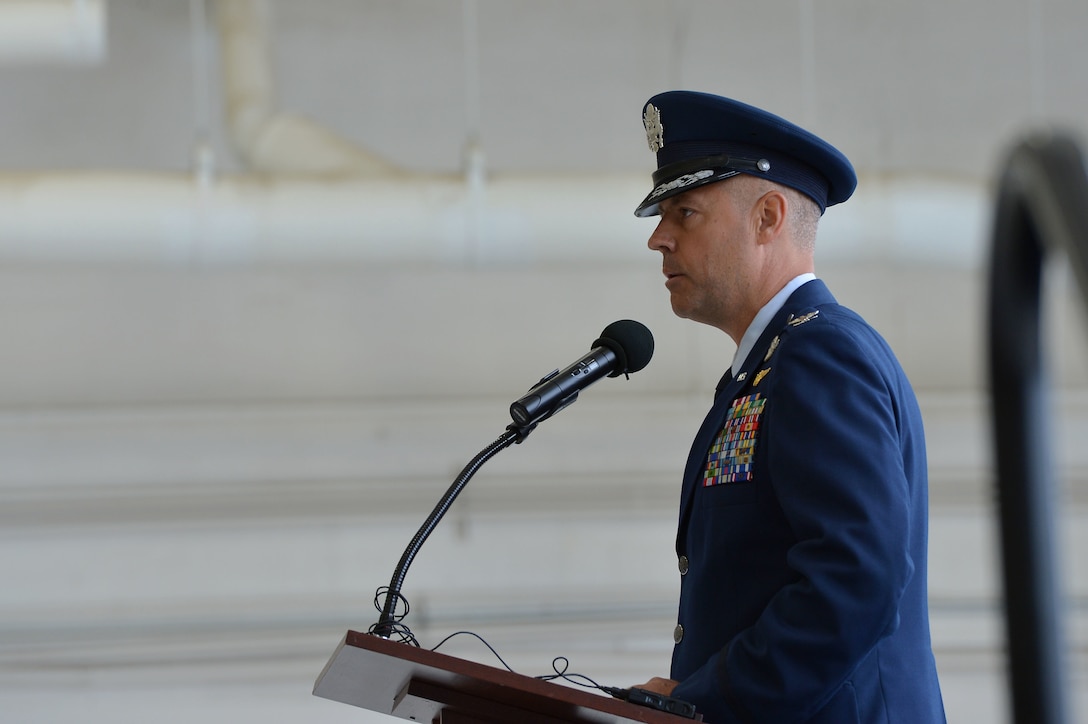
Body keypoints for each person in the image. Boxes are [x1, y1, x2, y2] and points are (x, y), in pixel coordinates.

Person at [631, 90, 947, 723]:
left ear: (768, 217)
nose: (658, 240)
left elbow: (856, 578)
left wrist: (702, 700)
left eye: (685, 212)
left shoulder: (820, 356)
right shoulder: (768, 368)